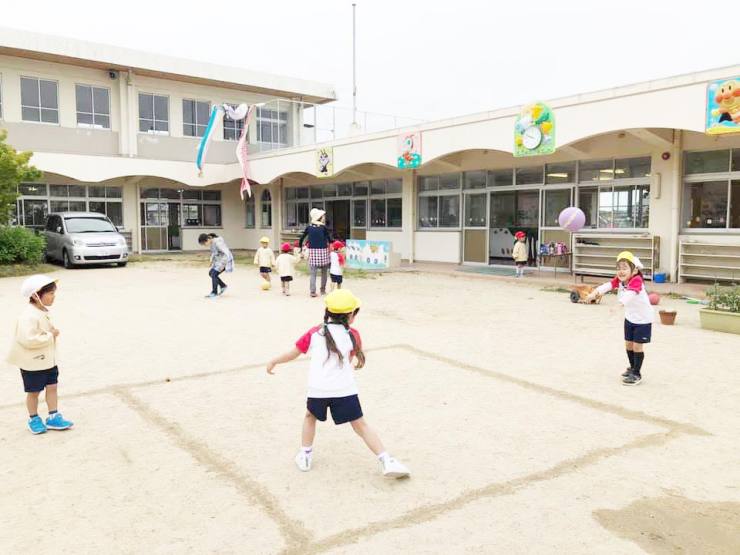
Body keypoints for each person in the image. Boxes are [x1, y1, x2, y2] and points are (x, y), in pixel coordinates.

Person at [266, 290, 410, 478]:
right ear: (350, 315)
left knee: (310, 417)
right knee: (360, 425)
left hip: (318, 389)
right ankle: (386, 460)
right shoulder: (354, 335)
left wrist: (274, 360)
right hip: (344, 389)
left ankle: (305, 454)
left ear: (328, 310)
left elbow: (294, 352)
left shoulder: (315, 332)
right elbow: (351, 356)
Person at [6, 275, 73, 434]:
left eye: (53, 293)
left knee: (52, 387)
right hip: (33, 363)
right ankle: (34, 418)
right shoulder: (28, 316)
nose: (53, 297)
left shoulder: (41, 311)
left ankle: (53, 415)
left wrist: (50, 334)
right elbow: (27, 339)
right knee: (34, 392)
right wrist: (51, 335)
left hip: (49, 361)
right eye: (50, 293)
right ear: (36, 295)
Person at [586, 251, 654, 386]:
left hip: (643, 319)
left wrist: (620, 304)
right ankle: (632, 367)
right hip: (630, 318)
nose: (621, 271)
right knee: (628, 344)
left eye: (624, 268)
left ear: (634, 270)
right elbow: (608, 285)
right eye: (618, 268)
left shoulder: (637, 280)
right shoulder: (620, 280)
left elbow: (630, 294)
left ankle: (637, 374)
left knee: (637, 346)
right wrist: (594, 293)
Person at [299, 208, 332, 297]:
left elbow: (302, 238)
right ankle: (323, 290)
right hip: (323, 252)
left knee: (313, 274)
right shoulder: (324, 228)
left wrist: (301, 248)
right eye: (323, 216)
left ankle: (312, 291)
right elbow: (330, 239)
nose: (324, 218)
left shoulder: (309, 227)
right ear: (319, 218)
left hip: (313, 253)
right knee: (324, 273)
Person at [199, 233, 234, 298]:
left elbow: (226, 253)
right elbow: (214, 253)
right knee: (211, 273)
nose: (204, 245)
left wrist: (224, 264)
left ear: (207, 240)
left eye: (204, 244)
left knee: (214, 274)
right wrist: (211, 261)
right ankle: (223, 286)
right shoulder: (212, 243)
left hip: (224, 261)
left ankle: (214, 292)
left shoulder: (218, 243)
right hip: (219, 262)